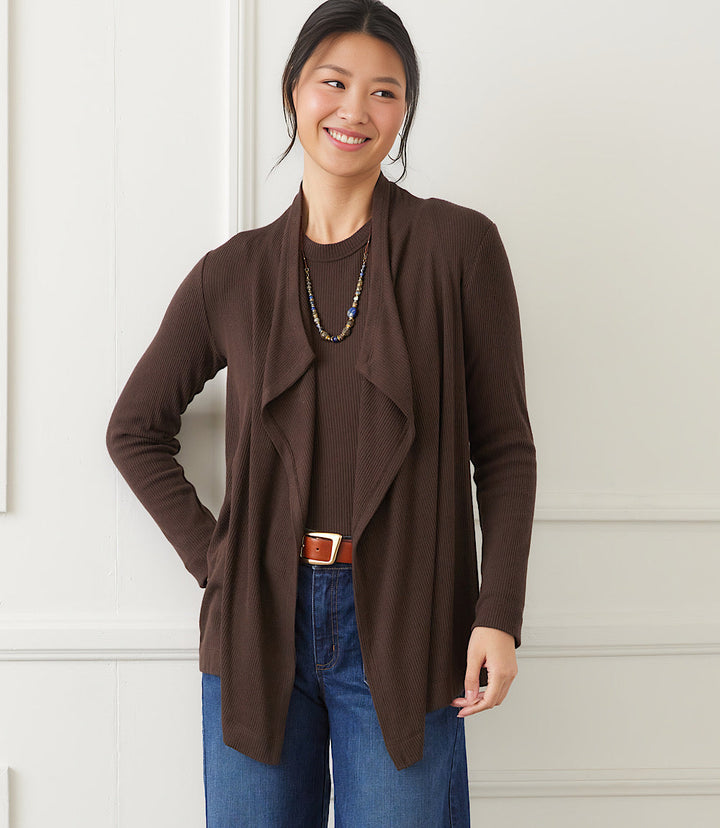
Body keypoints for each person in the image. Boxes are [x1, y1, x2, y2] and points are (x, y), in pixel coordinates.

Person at [105, 0, 537, 825]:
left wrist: (498, 616)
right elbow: (134, 430)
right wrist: (219, 560)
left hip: (410, 616)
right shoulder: (231, 275)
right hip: (256, 624)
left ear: (405, 110)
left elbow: (507, 450)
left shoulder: (460, 249)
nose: (355, 110)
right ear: (293, 91)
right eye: (333, 82)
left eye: (385, 92)